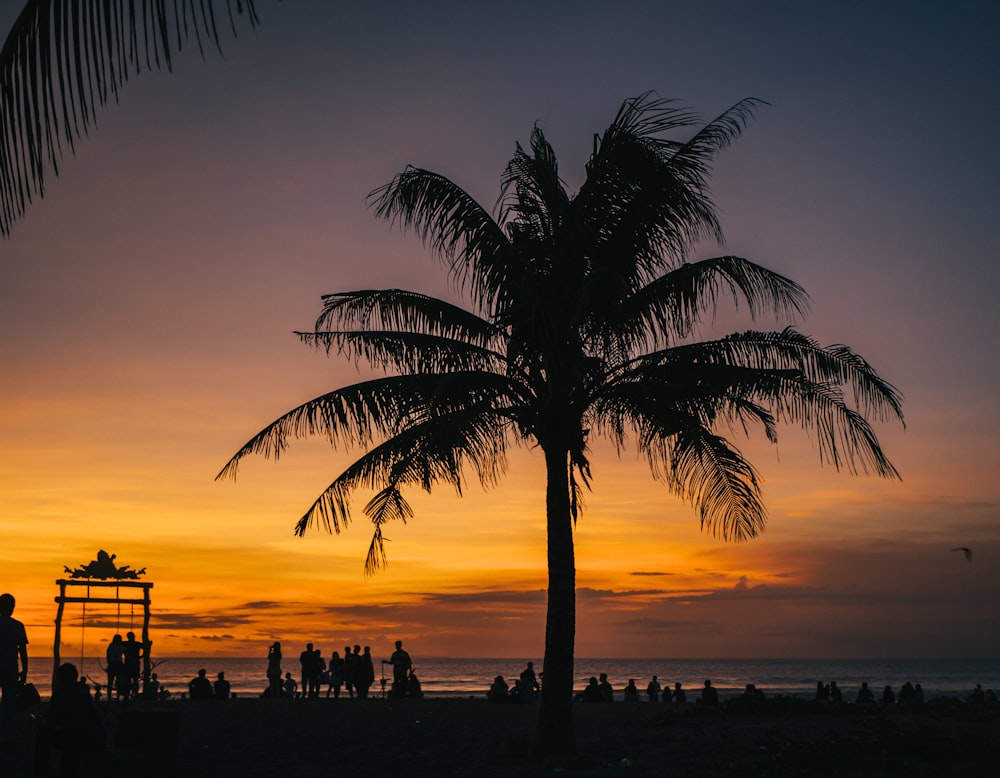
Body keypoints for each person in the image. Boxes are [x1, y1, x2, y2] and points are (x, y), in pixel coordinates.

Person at [33, 663, 105, 776]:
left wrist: (41, 722)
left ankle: (41, 771)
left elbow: (52, 720)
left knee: (42, 735)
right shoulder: (83, 691)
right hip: (94, 736)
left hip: (76, 738)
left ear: (61, 679)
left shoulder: (61, 694)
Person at [0, 592, 29, 742]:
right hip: (11, 666)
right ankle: (6, 734)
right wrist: (25, 671)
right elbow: (23, 651)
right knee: (8, 702)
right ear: (12, 608)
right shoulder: (17, 626)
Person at [122, 631, 143, 700]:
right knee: (134, 681)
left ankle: (128, 695)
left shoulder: (125, 644)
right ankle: (134, 695)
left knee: (129, 681)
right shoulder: (137, 644)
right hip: (134, 664)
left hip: (129, 664)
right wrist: (140, 656)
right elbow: (146, 648)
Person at [105, 634, 124, 701]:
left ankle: (111, 697)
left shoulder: (111, 646)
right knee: (115, 681)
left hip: (114, 664)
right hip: (116, 664)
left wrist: (109, 663)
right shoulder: (120, 646)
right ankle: (114, 696)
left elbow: (107, 655)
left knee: (112, 681)